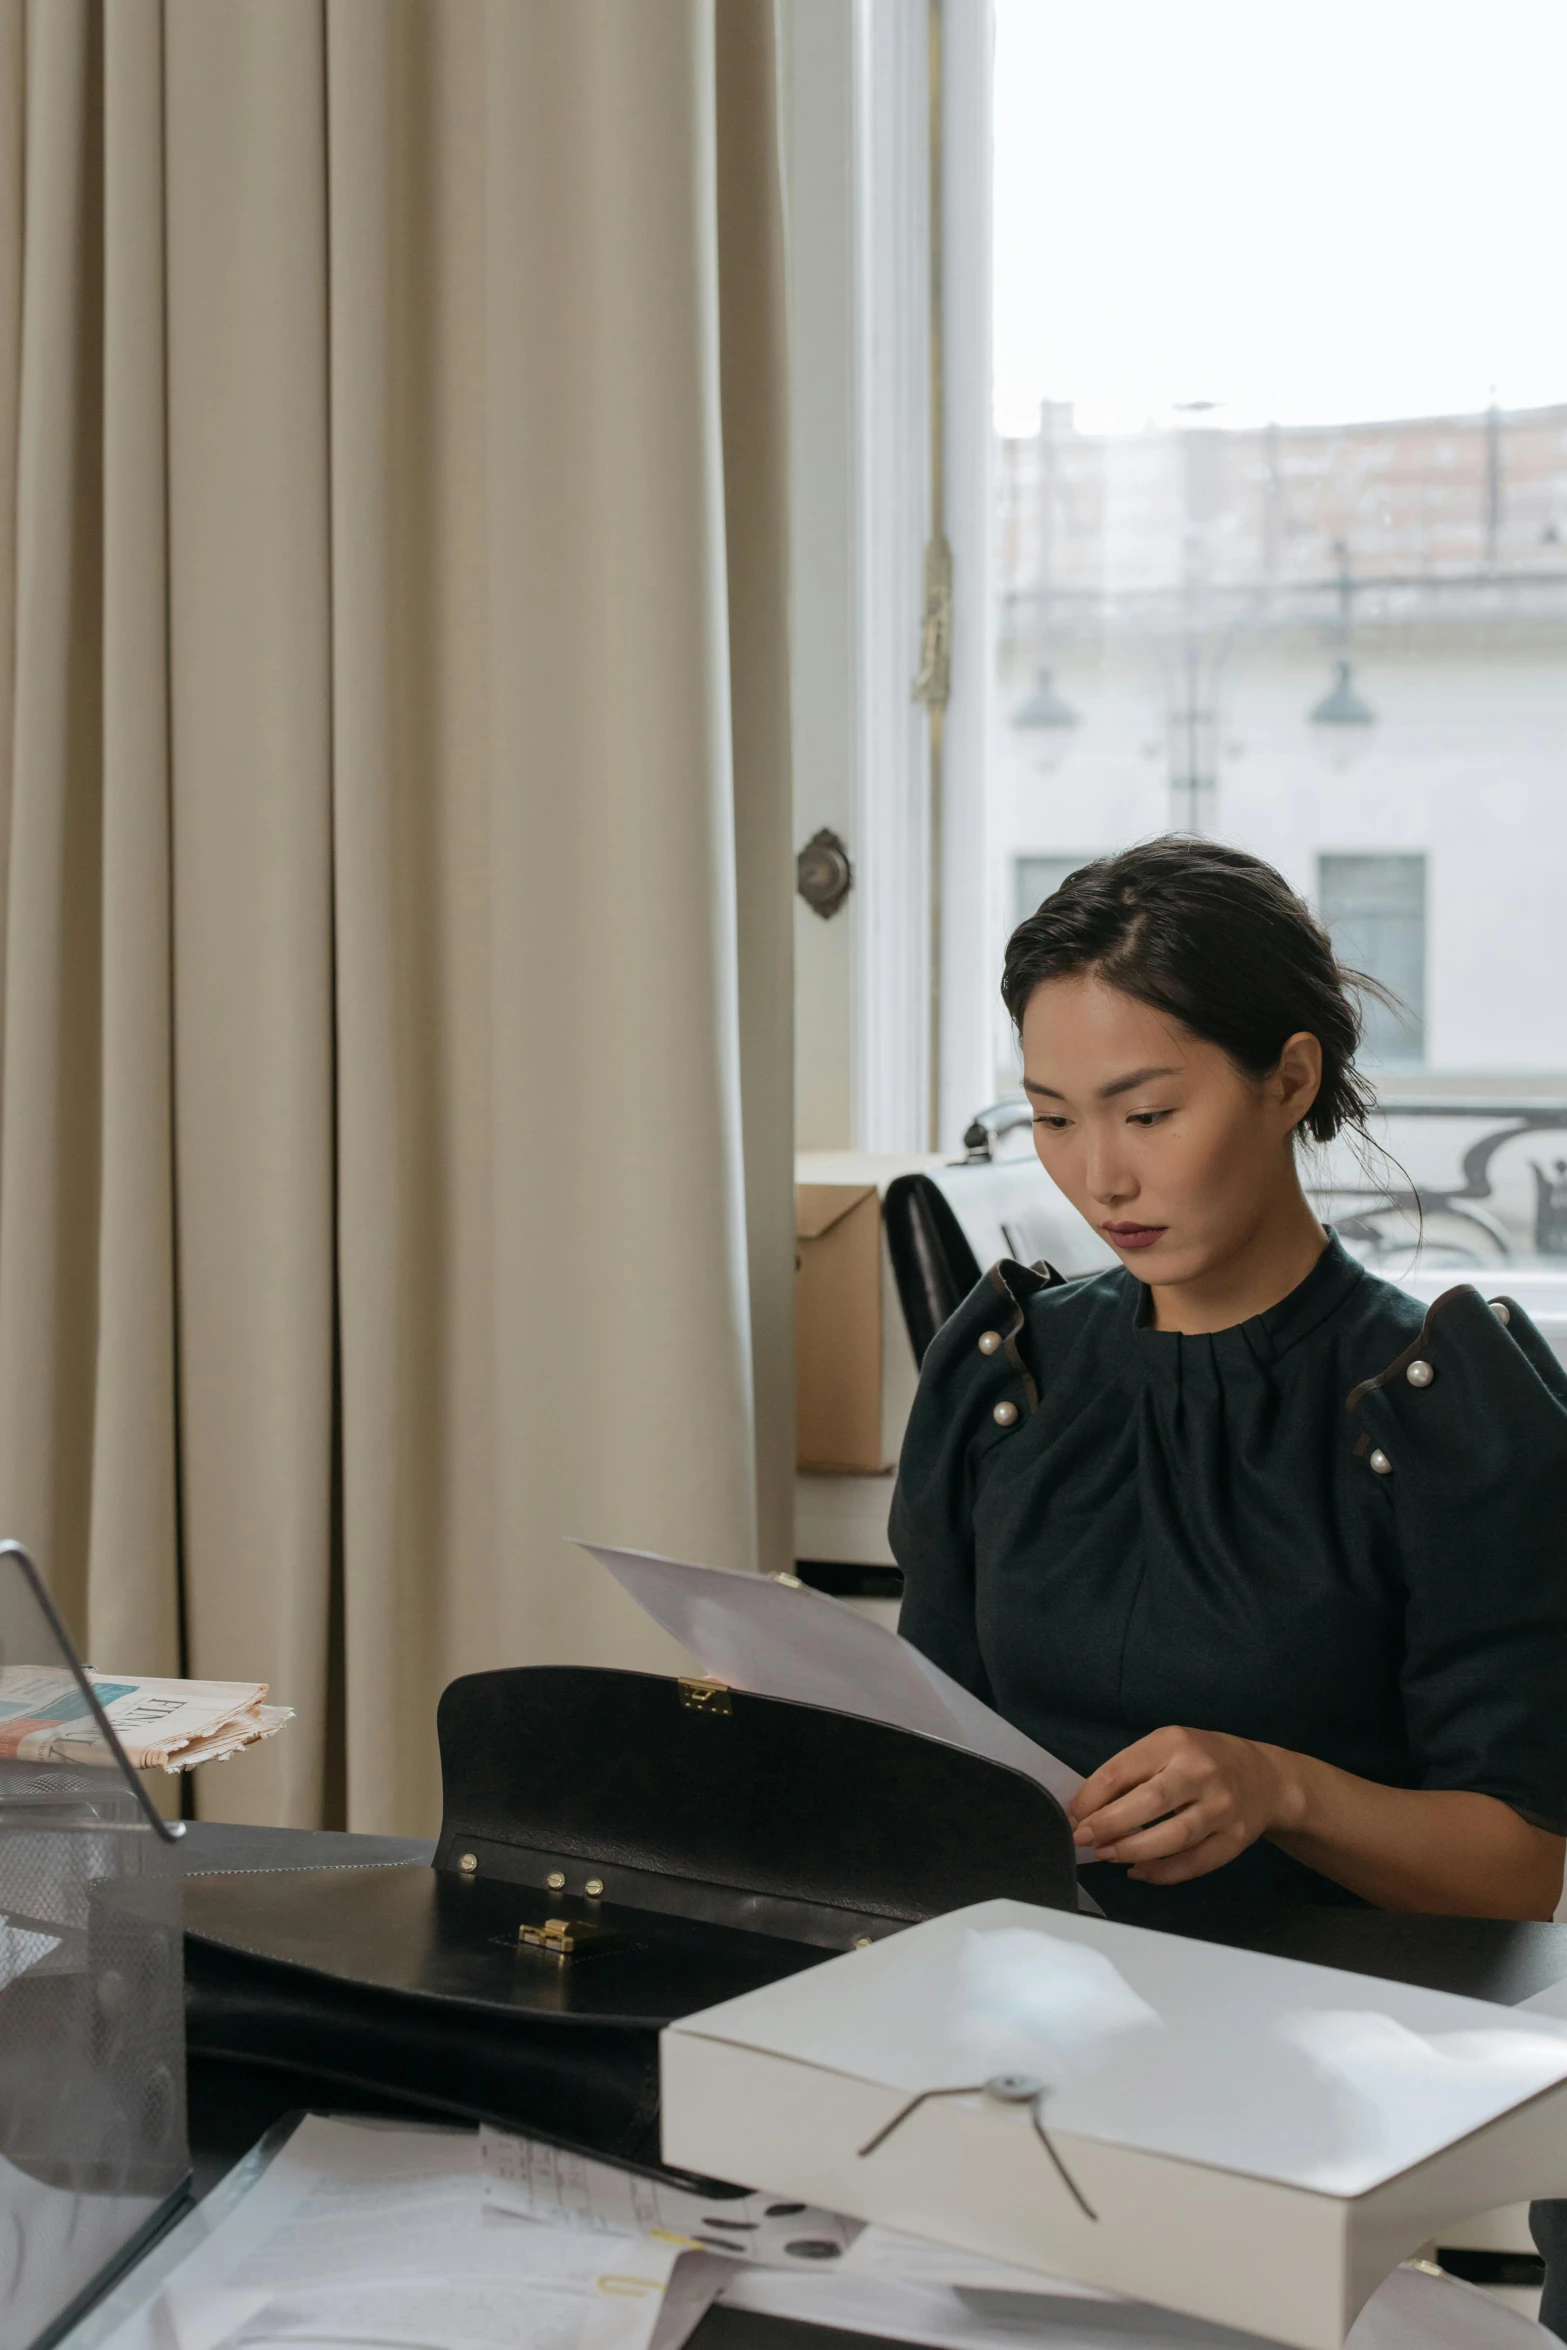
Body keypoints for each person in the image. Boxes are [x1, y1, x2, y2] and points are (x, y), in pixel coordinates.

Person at [892, 836, 1567, 1924]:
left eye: (1148, 1114)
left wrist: (1280, 1788)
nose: (1100, 1176)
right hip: (1023, 2006)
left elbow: (1521, 1865)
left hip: (1342, 2040)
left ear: (1288, 1079)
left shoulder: (1443, 1406)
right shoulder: (1003, 1374)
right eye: (1054, 1119)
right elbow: (938, 1751)